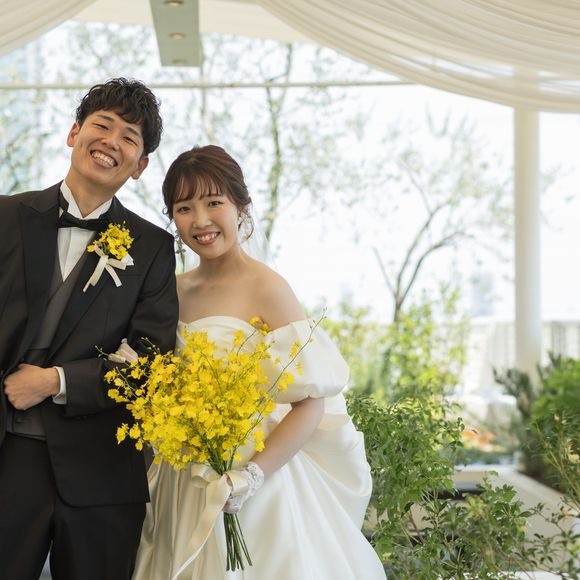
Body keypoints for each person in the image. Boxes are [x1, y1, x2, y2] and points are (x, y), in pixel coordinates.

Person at [128, 145, 387, 579]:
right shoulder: (172, 290)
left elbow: (311, 403)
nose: (200, 220)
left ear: (241, 207)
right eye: (184, 208)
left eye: (214, 203)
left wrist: (250, 477)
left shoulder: (268, 287)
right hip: (182, 477)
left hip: (255, 480)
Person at [0, 78, 179, 580]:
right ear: (74, 133)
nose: (111, 141)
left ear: (140, 165)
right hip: (7, 457)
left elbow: (152, 364)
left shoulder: (152, 248)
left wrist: (55, 381)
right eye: (103, 125)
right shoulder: (5, 216)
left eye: (129, 137)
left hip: (102, 472)